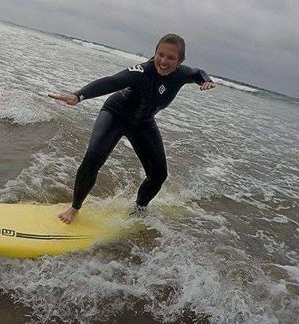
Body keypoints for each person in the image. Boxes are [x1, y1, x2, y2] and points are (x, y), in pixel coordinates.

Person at [49, 33, 215, 224]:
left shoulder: (182, 74)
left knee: (158, 175)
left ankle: (138, 209)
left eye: (171, 58)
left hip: (143, 123)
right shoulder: (141, 72)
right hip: (115, 115)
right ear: (155, 53)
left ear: (180, 61)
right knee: (93, 159)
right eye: (160, 54)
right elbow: (111, 82)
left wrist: (205, 80)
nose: (163, 61)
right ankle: (74, 208)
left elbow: (197, 72)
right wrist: (79, 96)